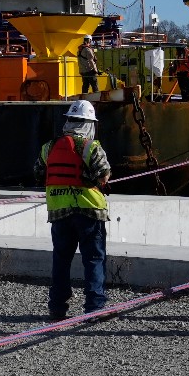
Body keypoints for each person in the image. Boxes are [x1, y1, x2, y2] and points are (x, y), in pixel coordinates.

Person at [35, 99, 113, 320]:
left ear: (68, 121)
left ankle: (57, 307)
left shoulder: (48, 147)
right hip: (89, 211)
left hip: (59, 213)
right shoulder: (90, 147)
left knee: (61, 261)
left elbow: (38, 173)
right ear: (89, 124)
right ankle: (94, 308)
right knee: (94, 260)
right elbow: (104, 174)